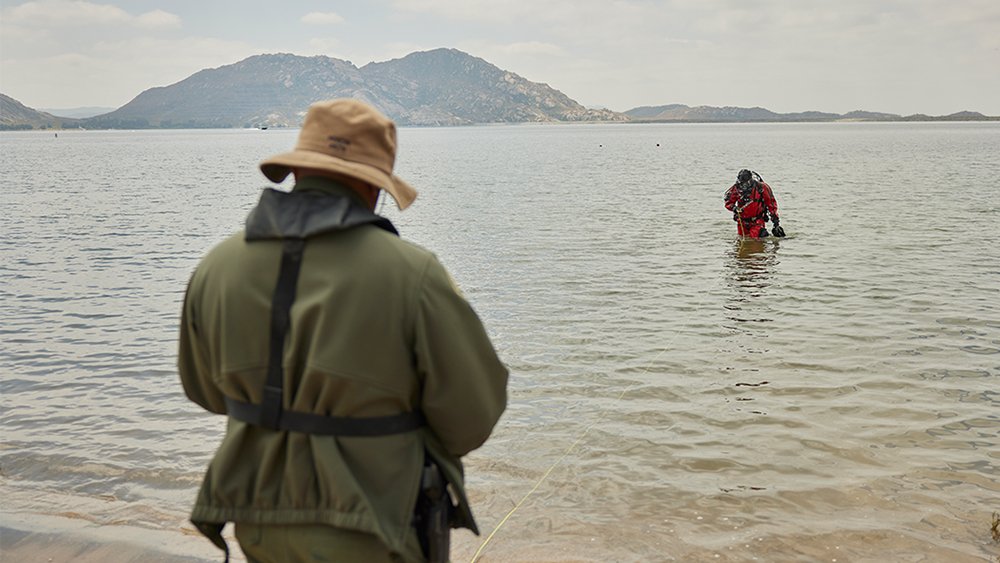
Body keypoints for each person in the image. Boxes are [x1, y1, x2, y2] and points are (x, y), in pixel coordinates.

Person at [177, 99, 509, 563]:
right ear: (374, 186)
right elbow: (472, 417)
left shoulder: (217, 265)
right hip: (375, 529)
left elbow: (205, 393)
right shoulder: (413, 273)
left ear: (298, 172)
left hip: (255, 522)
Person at [724, 169, 786, 238]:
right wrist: (734, 208)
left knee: (757, 241)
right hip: (742, 221)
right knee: (743, 242)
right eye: (742, 183)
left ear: (750, 181)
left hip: (757, 221)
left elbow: (771, 204)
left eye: (745, 183)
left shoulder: (761, 188)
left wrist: (776, 223)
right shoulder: (736, 188)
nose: (743, 186)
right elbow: (728, 202)